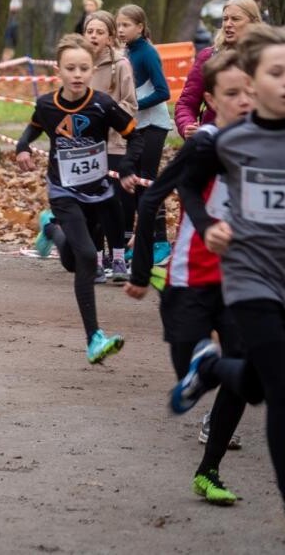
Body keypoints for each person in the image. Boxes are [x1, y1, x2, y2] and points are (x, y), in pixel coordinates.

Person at [125, 49, 256, 505]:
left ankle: (209, 471)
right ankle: (203, 364)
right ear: (212, 101)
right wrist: (141, 270)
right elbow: (154, 198)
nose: (243, 101)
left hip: (241, 280)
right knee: (189, 373)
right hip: (190, 279)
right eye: (232, 94)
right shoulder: (204, 144)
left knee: (244, 373)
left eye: (249, 91)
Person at [178, 23, 285, 506]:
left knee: (256, 382)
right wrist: (205, 225)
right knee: (279, 386)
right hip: (249, 279)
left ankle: (214, 368)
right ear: (253, 80)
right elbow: (185, 185)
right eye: (276, 73)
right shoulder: (228, 140)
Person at [17, 34, 142, 364]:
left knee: (73, 261)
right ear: (58, 70)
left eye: (84, 68)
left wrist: (127, 166)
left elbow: (135, 136)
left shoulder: (103, 104)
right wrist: (22, 146)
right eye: (70, 68)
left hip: (99, 194)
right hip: (63, 192)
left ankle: (50, 229)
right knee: (87, 257)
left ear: (92, 70)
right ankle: (94, 339)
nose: (77, 74)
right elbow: (33, 128)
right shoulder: (46, 104)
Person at [82, 10, 136, 281]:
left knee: (111, 204)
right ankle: (96, 259)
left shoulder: (121, 65)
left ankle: (118, 259)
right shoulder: (79, 64)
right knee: (90, 205)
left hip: (114, 144)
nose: (93, 36)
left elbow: (131, 104)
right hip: (84, 147)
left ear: (111, 37)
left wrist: (106, 112)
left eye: (99, 32)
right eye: (89, 31)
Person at [116, 4, 173, 262]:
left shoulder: (148, 52)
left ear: (140, 27)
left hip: (153, 125)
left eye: (126, 25)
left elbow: (163, 91)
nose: (120, 30)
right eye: (118, 25)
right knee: (135, 184)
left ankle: (160, 241)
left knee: (147, 182)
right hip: (135, 127)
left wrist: (134, 106)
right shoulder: (126, 51)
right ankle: (141, 241)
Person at [174, 0, 262, 139]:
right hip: (215, 140)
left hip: (258, 140)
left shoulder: (267, 57)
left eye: (235, 19)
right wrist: (187, 126)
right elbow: (186, 103)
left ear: (254, 23)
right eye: (225, 19)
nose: (228, 24)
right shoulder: (208, 57)